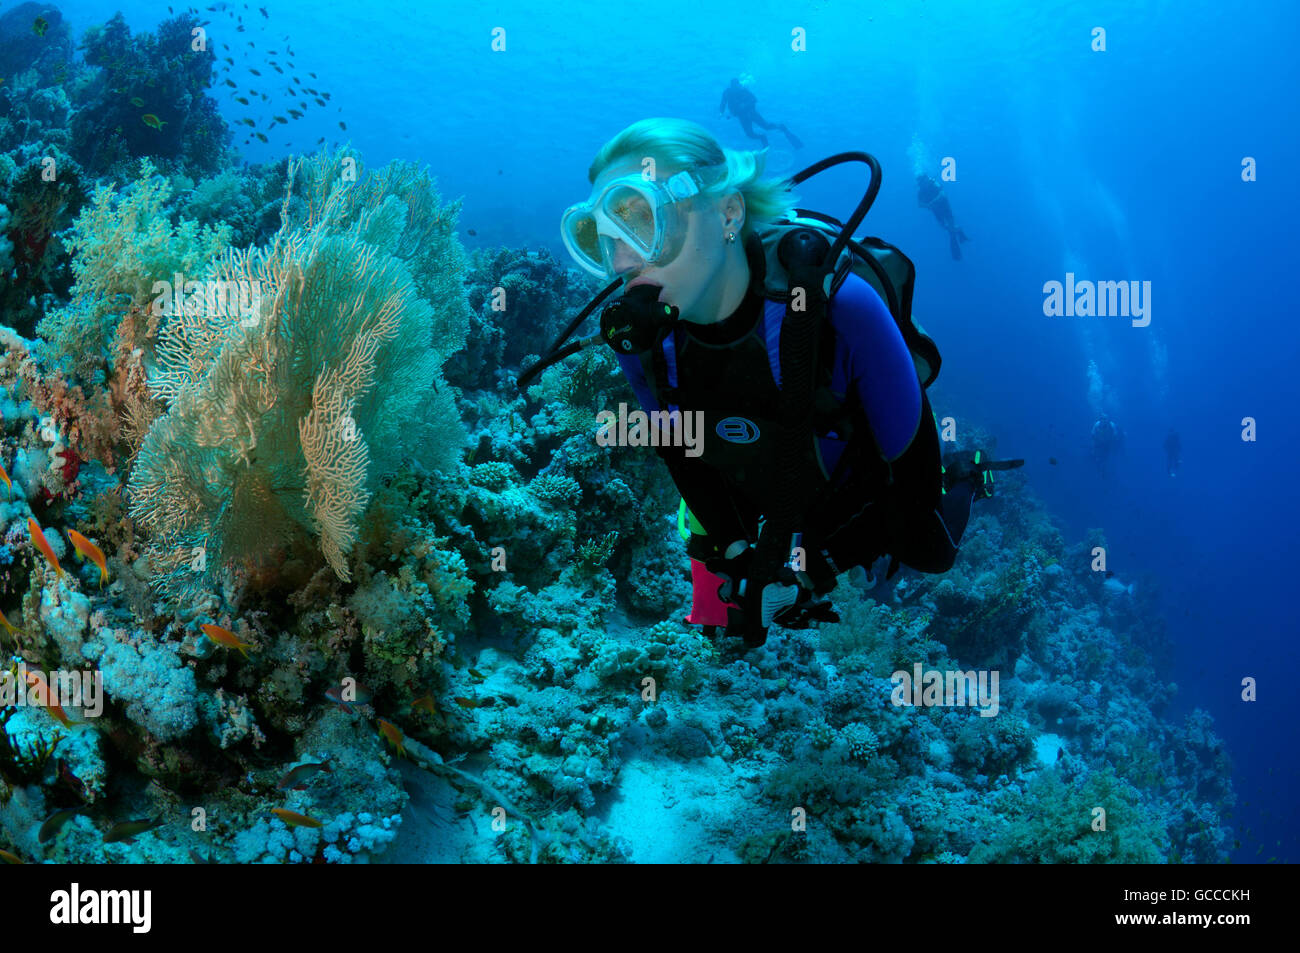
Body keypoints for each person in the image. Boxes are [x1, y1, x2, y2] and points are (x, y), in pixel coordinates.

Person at [554, 118, 1018, 647]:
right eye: (601, 237)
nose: (620, 261)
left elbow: (907, 489)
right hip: (751, 468)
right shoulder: (642, 340)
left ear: (728, 212)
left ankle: (966, 477)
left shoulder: (843, 308)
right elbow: (681, 454)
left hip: (859, 478)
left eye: (639, 219)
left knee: (929, 551)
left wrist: (813, 569)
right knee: (721, 590)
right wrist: (737, 553)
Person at [719, 78, 802, 149]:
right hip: (742, 116)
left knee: (767, 127)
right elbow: (723, 102)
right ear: (731, 86)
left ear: (738, 85)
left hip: (751, 113)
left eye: (737, 86)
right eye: (734, 86)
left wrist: (745, 104)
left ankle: (781, 127)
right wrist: (721, 113)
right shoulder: (727, 92)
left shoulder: (744, 90)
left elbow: (754, 99)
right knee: (750, 134)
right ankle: (763, 138)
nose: (736, 88)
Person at [915, 173, 969, 260]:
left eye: (923, 181)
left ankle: (955, 236)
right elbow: (919, 204)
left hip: (945, 207)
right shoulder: (921, 190)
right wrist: (927, 205)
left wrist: (932, 202)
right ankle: (959, 230)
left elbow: (943, 194)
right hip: (936, 211)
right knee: (945, 227)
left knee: (950, 230)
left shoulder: (934, 183)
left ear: (926, 179)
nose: (922, 184)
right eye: (920, 183)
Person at [1091, 412, 1122, 477]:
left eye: (1105, 419)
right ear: (1100, 419)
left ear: (1108, 419)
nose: (1104, 420)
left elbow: (1115, 434)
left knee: (1105, 457)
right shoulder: (1097, 424)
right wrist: (1095, 442)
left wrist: (1113, 443)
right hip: (1099, 442)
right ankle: (1098, 466)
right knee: (1096, 455)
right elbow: (1093, 433)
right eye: (1102, 419)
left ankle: (1103, 469)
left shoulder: (1112, 425)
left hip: (1107, 443)